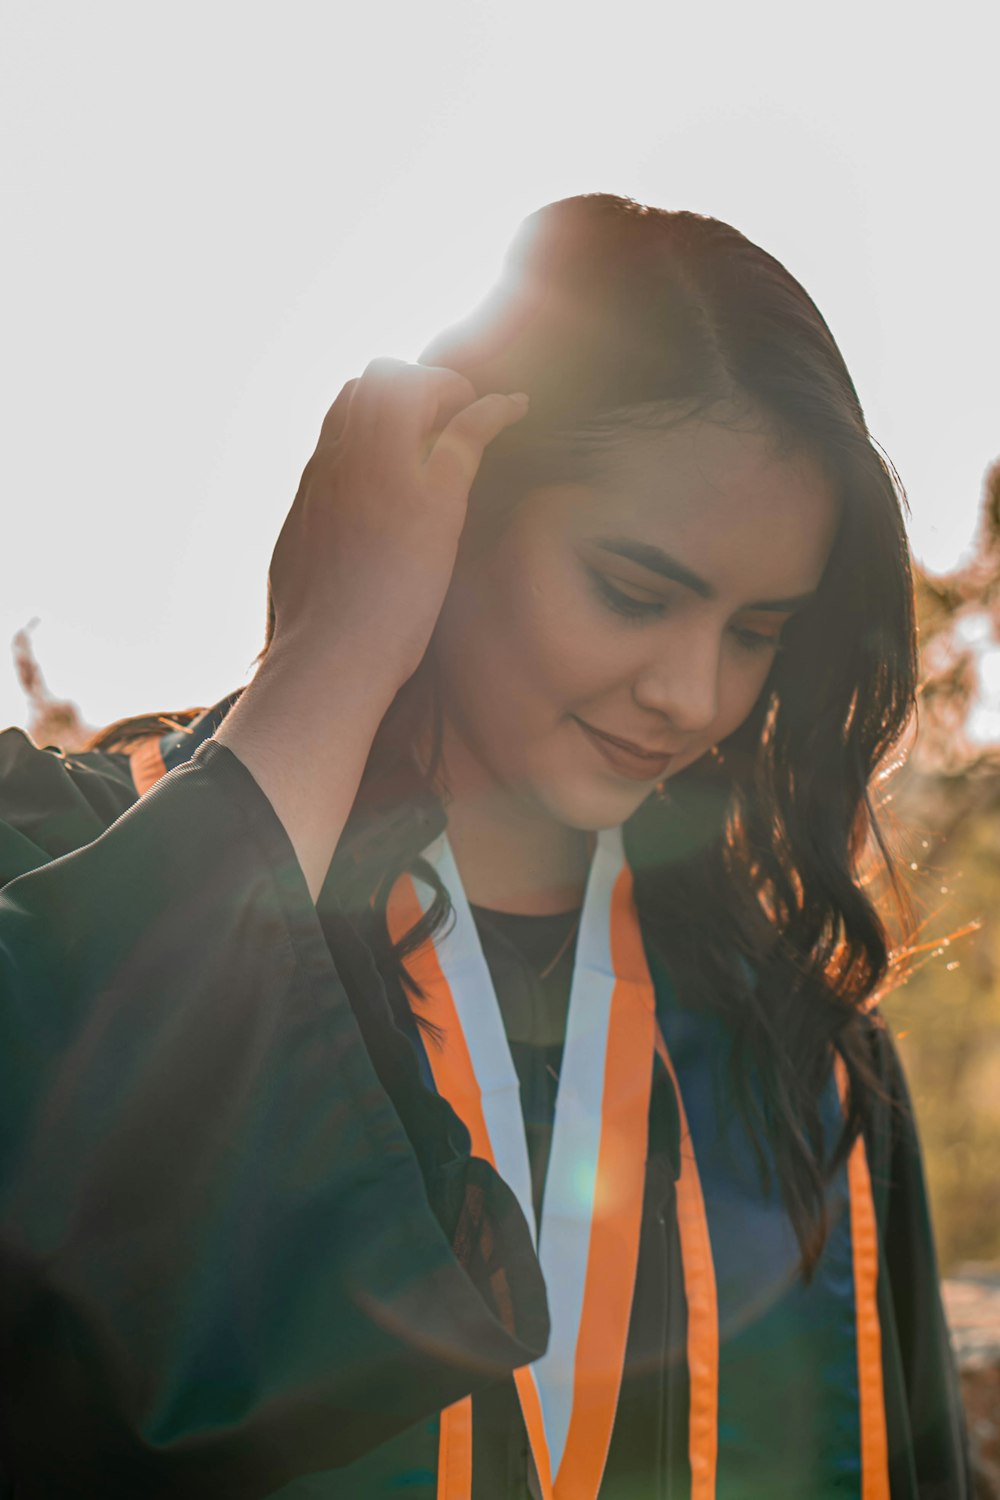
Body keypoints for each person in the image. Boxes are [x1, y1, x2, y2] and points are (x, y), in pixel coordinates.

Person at [0, 194, 970, 1499]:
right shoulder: (72, 872)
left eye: (758, 632)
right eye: (635, 592)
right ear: (445, 529)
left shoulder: (800, 1066)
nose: (694, 694)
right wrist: (327, 657)